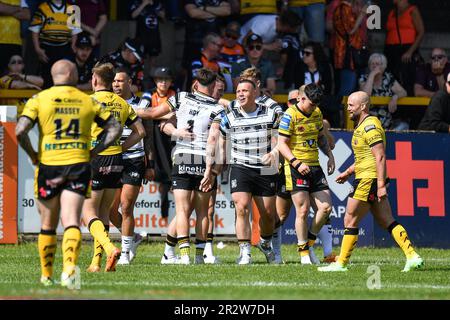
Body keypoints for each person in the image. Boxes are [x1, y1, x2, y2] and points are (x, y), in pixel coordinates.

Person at [15, 59, 121, 287]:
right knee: (72, 219)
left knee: (48, 223)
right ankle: (69, 269)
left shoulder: (39, 99)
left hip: (49, 165)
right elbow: (115, 128)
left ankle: (46, 275)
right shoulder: (86, 101)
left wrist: (33, 154)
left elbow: (20, 130)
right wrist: (95, 151)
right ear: (73, 76)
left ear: (54, 76)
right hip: (78, 164)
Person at [318, 91, 424, 272]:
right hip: (367, 177)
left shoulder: (370, 126)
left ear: (363, 106)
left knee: (350, 219)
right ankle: (412, 256)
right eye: (348, 104)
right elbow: (364, 157)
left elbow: (380, 156)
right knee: (387, 221)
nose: (348, 108)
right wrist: (349, 172)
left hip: (369, 179)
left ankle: (341, 263)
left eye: (351, 104)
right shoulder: (361, 126)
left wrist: (381, 185)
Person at [137, 68, 224, 265]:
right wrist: (210, 171)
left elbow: (153, 114)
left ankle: (183, 255)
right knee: (203, 211)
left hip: (183, 156)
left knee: (182, 210)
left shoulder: (181, 97)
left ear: (195, 83)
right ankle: (199, 257)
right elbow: (212, 140)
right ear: (212, 86)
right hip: (203, 159)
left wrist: (124, 108)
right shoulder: (217, 108)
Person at [83, 62, 142, 273]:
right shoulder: (122, 103)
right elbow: (141, 131)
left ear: (96, 80)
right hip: (117, 160)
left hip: (95, 159)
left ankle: (109, 248)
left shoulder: (88, 101)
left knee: (87, 211)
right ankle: (96, 263)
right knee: (104, 213)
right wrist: (121, 146)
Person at [219, 79, 282, 265]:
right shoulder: (229, 116)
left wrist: (274, 153)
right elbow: (221, 140)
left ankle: (265, 242)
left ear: (255, 92)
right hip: (240, 166)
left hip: (265, 167)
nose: (240, 94)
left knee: (269, 215)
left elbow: (282, 140)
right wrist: (220, 161)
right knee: (242, 207)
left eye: (245, 90)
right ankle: (244, 252)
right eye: (238, 91)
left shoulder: (270, 114)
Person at [276, 89, 336, 264]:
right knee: (302, 211)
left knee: (326, 208)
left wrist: (330, 156)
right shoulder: (290, 115)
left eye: (316, 105)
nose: (313, 108)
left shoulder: (316, 112)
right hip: (295, 167)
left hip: (315, 166)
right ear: (301, 98)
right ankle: (304, 254)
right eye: (311, 104)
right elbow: (281, 144)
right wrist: (296, 162)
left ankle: (308, 243)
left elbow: (320, 137)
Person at [108, 68, 151, 265]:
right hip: (112, 158)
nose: (116, 84)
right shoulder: (106, 102)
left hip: (134, 158)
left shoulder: (142, 103)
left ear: (129, 82)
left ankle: (124, 253)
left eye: (120, 80)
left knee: (126, 206)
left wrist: (149, 163)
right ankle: (133, 238)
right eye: (114, 81)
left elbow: (146, 134)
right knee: (109, 210)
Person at [29, 0, 82, 88]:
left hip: (65, 48)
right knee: (47, 76)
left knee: (65, 75)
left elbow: (75, 31)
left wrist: (73, 45)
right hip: (46, 48)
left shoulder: (72, 9)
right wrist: (37, 49)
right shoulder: (42, 8)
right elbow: (35, 30)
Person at [384, 0, 425, 96]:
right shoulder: (392, 12)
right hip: (390, 50)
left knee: (407, 78)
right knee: (391, 78)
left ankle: (408, 108)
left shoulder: (412, 10)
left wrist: (410, 51)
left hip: (406, 49)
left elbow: (421, 32)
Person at [359, 53, 408, 131]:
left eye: (377, 64)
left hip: (387, 123)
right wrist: (372, 75)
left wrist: (394, 97)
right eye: (372, 64)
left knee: (404, 126)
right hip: (368, 123)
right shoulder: (364, 79)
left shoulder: (388, 78)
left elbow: (403, 92)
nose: (374, 66)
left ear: (383, 66)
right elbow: (366, 95)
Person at [130, 0, 165, 67]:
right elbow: (133, 15)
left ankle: (151, 76)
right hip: (141, 36)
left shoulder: (157, 4)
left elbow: (163, 18)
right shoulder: (137, 3)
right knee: (139, 59)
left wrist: (158, 12)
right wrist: (143, 4)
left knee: (153, 59)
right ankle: (139, 76)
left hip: (154, 37)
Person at [0, 0, 30, 73]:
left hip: (15, 43)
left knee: (15, 77)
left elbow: (27, 15)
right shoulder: (19, 4)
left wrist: (7, 10)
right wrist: (19, 9)